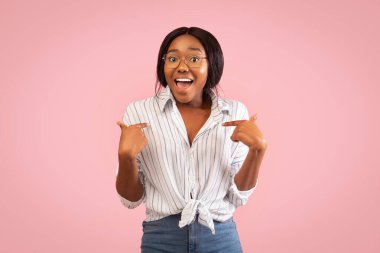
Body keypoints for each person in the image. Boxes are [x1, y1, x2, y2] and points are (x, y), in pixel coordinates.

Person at [116, 27, 268, 253]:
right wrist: (125, 158)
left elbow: (237, 197)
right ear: (163, 64)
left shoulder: (234, 112)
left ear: (212, 64)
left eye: (194, 58)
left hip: (221, 237)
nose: (182, 66)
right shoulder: (139, 113)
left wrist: (258, 150)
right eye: (173, 58)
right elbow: (131, 199)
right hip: (161, 238)